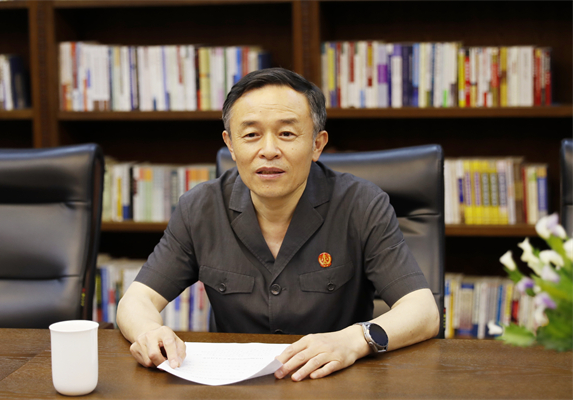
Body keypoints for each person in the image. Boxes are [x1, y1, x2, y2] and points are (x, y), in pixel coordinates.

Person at [116, 67, 439, 382]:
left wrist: (354, 340)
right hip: (235, 388)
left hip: (334, 382)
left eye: (286, 134)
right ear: (231, 144)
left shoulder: (361, 204)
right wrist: (149, 332)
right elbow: (137, 300)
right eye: (251, 135)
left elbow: (423, 311)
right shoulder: (199, 208)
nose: (268, 151)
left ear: (317, 144)